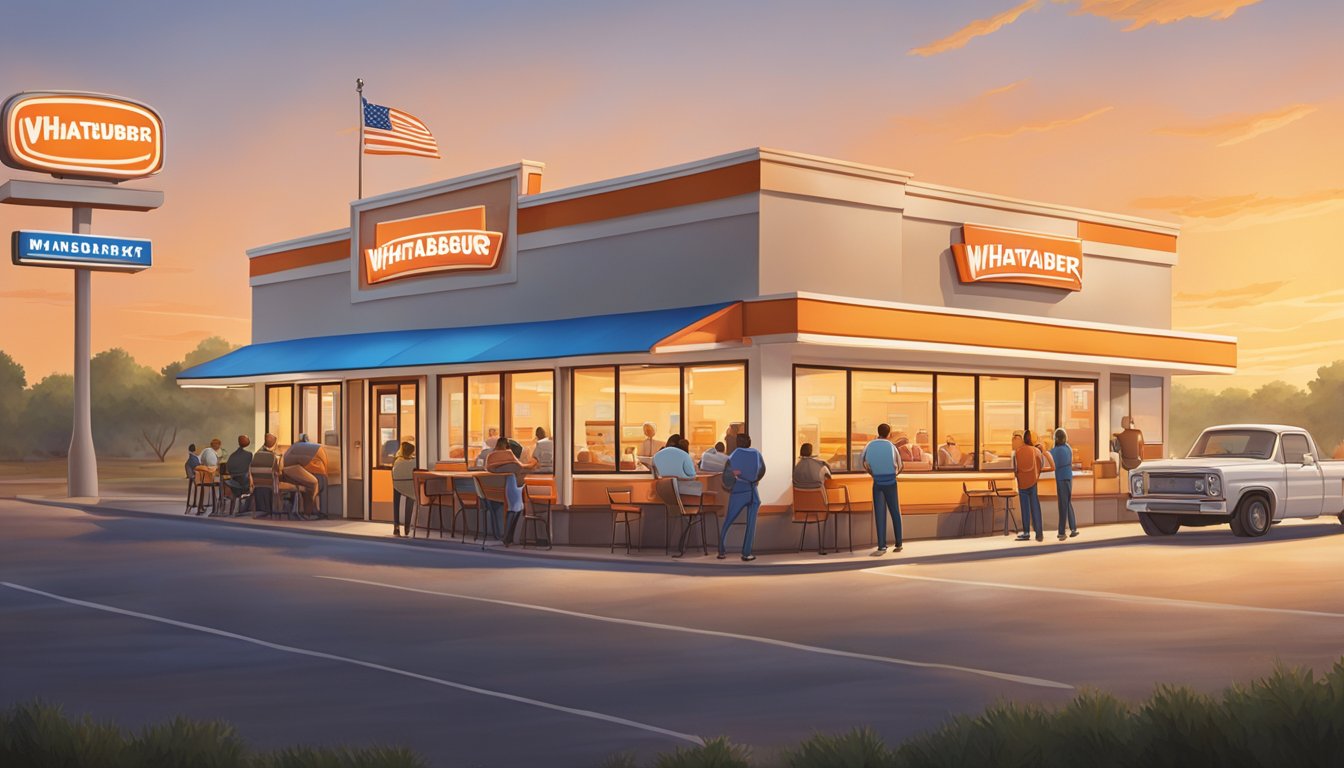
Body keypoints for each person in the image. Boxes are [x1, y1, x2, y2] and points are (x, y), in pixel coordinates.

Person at [718, 433, 765, 561]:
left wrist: (733, 481)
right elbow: (762, 470)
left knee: (728, 520)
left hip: (739, 490)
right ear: (749, 442)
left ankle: (721, 551)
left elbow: (727, 477)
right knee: (751, 524)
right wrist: (754, 479)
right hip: (753, 491)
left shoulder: (733, 455)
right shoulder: (756, 453)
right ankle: (746, 553)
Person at [861, 423, 904, 555]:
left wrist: (873, 473)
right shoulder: (891, 446)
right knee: (895, 511)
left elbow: (864, 463)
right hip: (891, 482)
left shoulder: (869, 445)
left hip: (877, 482)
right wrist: (893, 474)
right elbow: (900, 465)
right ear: (889, 434)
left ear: (877, 432)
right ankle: (898, 542)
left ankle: (881, 546)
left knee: (880, 514)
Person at [1013, 429, 1052, 542]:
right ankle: (1039, 533)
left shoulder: (1018, 451)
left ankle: (1026, 532)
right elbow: (1040, 465)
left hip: (1021, 483)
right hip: (1033, 482)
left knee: (1024, 508)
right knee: (1035, 507)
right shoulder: (1036, 451)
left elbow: (1015, 468)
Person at [281, 437, 322, 517]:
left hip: (286, 474)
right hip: (292, 470)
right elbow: (301, 460)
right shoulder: (299, 450)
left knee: (307, 486)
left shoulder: (292, 448)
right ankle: (311, 511)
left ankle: (308, 510)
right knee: (313, 483)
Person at [1051, 428, 1078, 540]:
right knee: (1067, 502)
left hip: (1061, 478)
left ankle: (1062, 532)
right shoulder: (1068, 448)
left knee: (1062, 504)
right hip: (1068, 477)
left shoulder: (1056, 450)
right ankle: (1073, 528)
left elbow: (1048, 459)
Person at [391, 442, 416, 537]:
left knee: (396, 504)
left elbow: (393, 474)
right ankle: (407, 527)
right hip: (409, 485)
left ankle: (396, 527)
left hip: (397, 485)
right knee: (410, 499)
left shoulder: (396, 461)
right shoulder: (413, 461)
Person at [223, 435, 253, 505]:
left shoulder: (232, 455)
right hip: (244, 485)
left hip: (233, 484)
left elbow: (228, 470)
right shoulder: (249, 455)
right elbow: (250, 471)